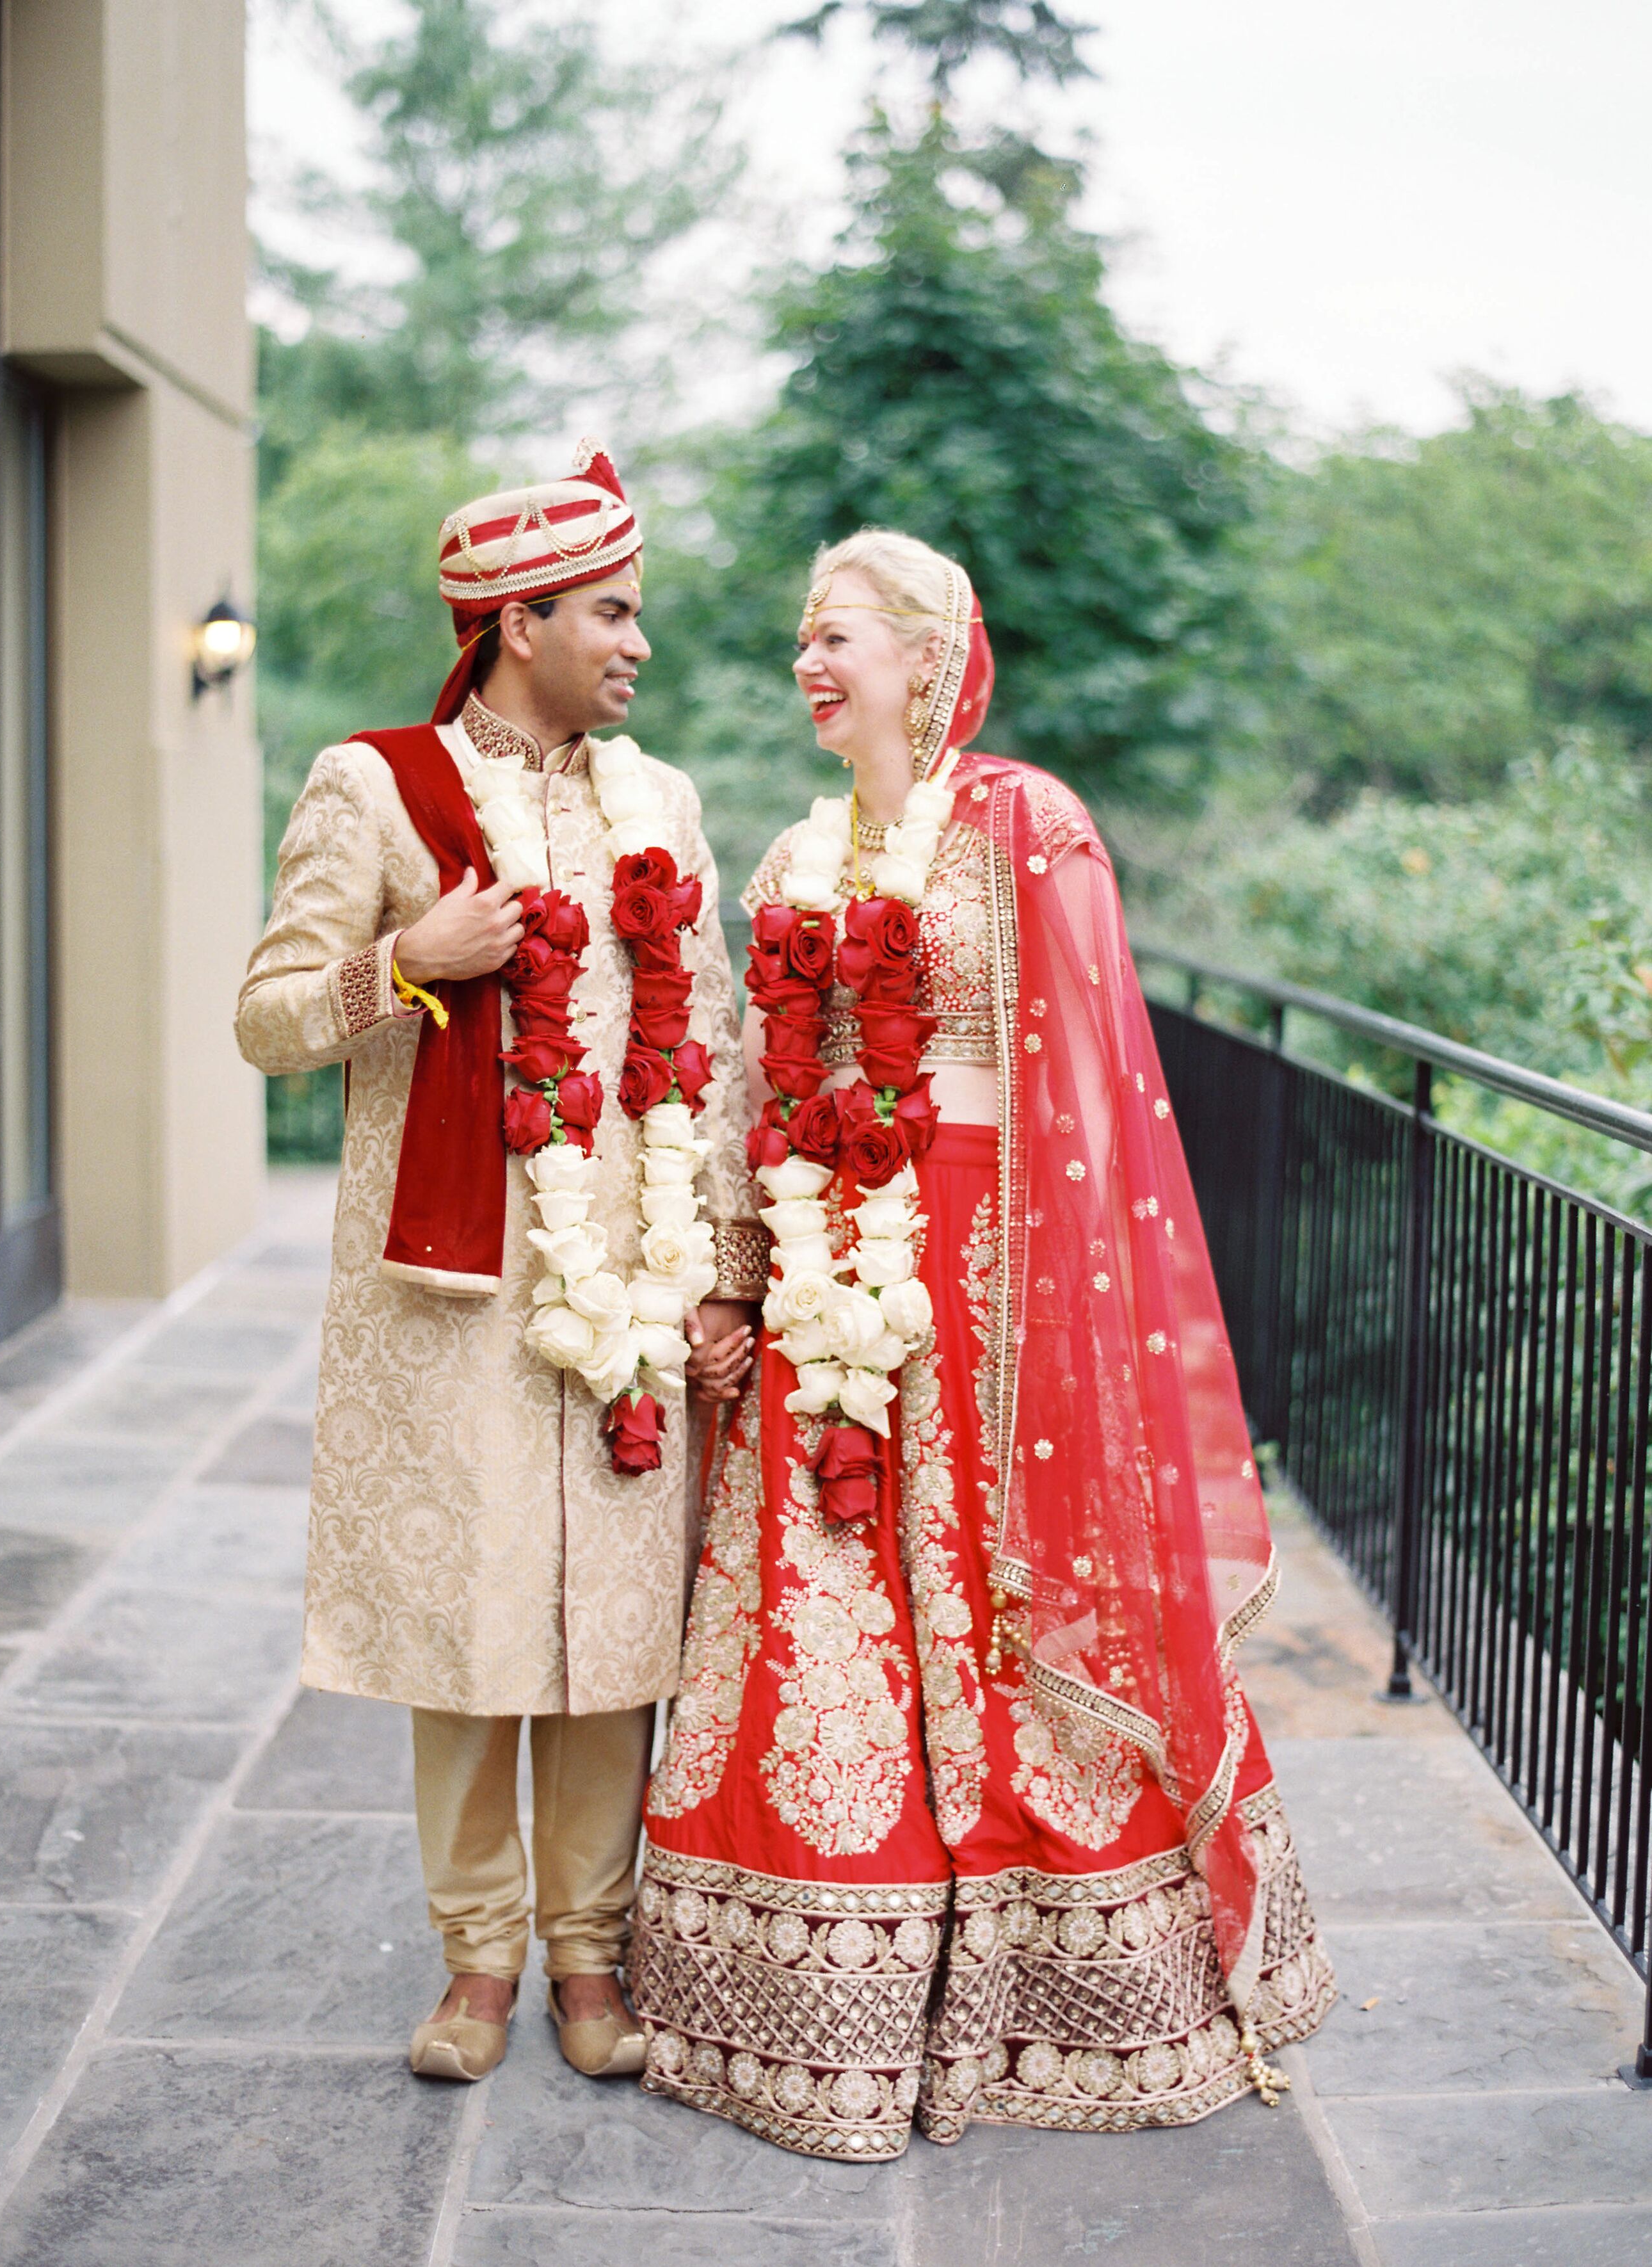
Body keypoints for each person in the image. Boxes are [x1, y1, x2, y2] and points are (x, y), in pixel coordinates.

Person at [629, 529, 1336, 2160]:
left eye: (840, 637)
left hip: (982, 1287)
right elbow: (748, 1079)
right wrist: (734, 1278)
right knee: (812, 1592)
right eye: (799, 640)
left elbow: (1089, 1093)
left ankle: (1055, 1981)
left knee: (984, 1595)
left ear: (931, 653)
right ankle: (790, 1996)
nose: (810, 663)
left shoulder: (1025, 823)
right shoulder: (790, 863)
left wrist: (1045, 1312)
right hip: (827, 1280)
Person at [236, 442, 763, 2088]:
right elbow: (264, 1021)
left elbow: (725, 1047)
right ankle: (476, 1960)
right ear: (515, 620)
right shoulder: (372, 784)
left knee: (613, 1624)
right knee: (470, 1625)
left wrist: (723, 1273)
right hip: (451, 1289)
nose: (638, 644)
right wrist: (407, 962)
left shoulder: (655, 803)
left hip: (629, 1274)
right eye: (611, 613)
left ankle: (590, 1959)